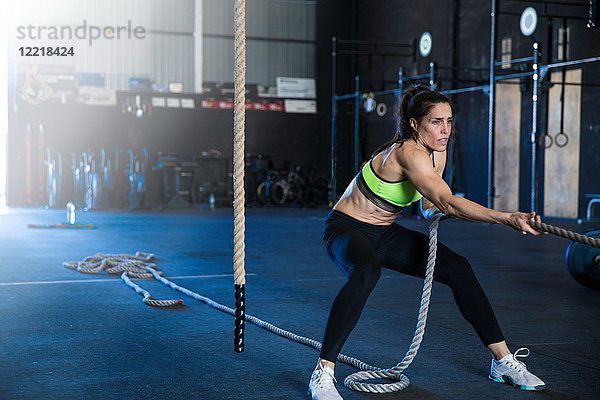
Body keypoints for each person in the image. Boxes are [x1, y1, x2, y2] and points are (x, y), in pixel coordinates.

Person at [308, 85, 546, 400]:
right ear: (414, 123)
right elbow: (446, 202)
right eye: (436, 122)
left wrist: (445, 207)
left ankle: (502, 361)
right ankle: (323, 372)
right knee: (366, 272)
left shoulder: (438, 150)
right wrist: (506, 218)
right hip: (346, 229)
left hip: (384, 233)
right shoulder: (408, 152)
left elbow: (430, 204)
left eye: (449, 121)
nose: (445, 129)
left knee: (459, 268)